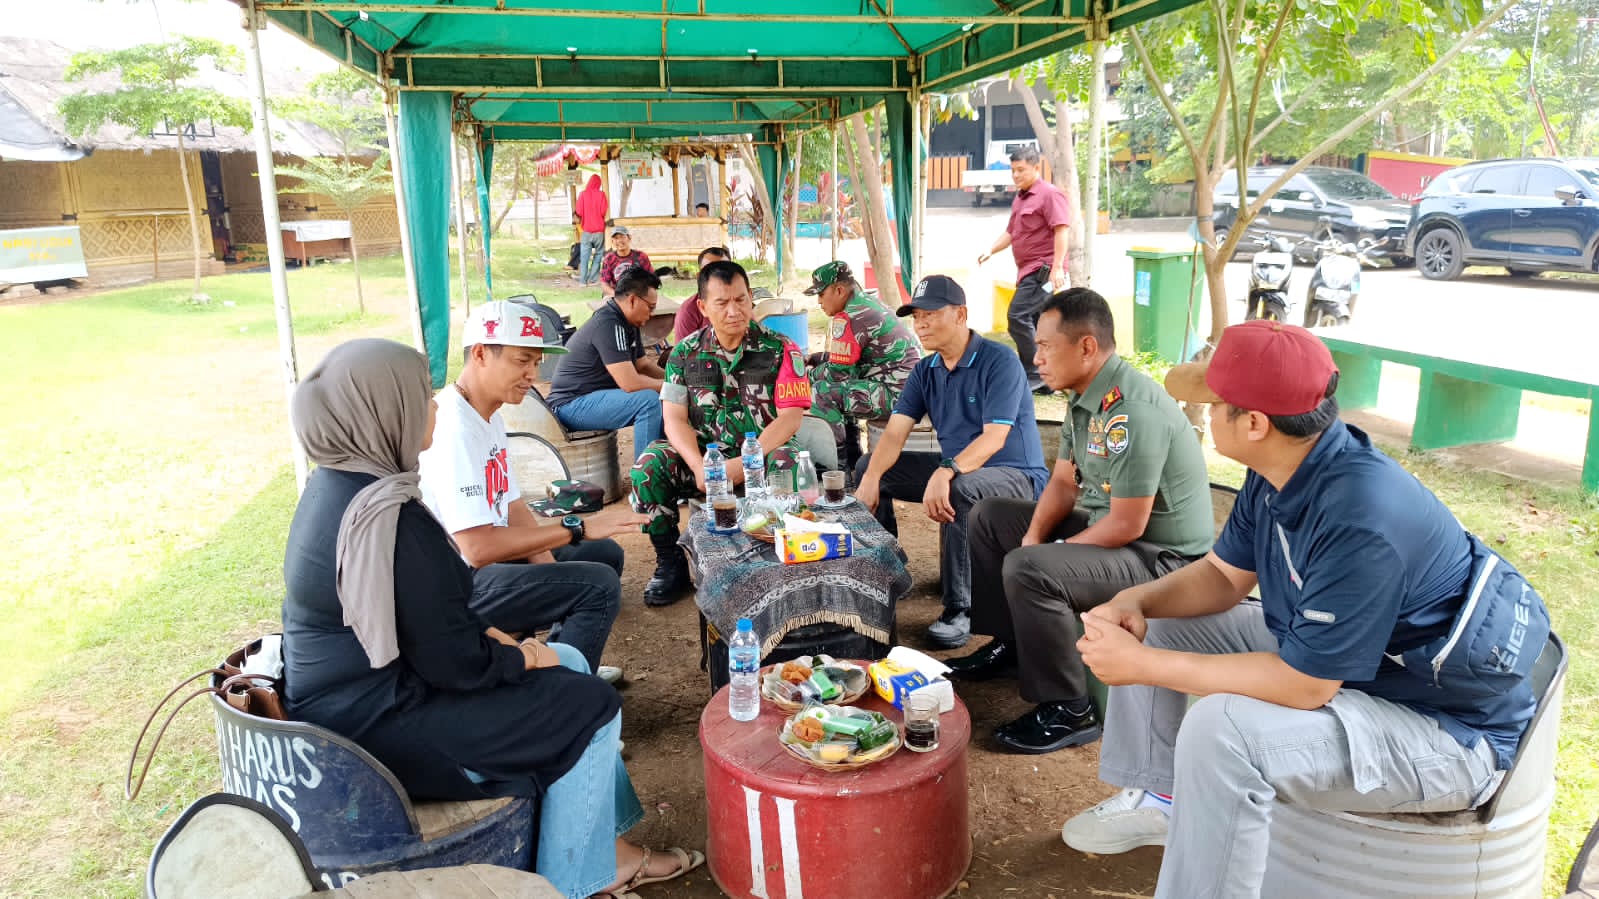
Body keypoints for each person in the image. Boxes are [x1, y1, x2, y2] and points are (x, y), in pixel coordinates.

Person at [1059, 321, 1549, 898]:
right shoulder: (1283, 467)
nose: (1205, 416)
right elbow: (1221, 577)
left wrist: (1140, 667)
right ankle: (1164, 800)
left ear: (1256, 424)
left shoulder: (1361, 517)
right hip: (1366, 680)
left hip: (1449, 737)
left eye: (1215, 405)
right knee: (1163, 624)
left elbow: (1304, 685)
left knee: (1221, 733)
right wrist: (1134, 600)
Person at [281, 338, 704, 899]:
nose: (431, 407)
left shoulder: (341, 489)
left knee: (573, 663)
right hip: (373, 731)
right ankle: (580, 877)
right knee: (591, 702)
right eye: (417, 397)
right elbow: (455, 663)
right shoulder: (391, 520)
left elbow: (427, 621)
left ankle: (606, 841)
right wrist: (525, 655)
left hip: (363, 701)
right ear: (384, 413)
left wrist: (523, 651)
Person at [947, 288, 1214, 754]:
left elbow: (1128, 524)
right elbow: (1064, 484)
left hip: (1162, 559)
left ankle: (1070, 709)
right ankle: (1014, 644)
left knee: (1031, 568)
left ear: (1087, 346)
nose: (1037, 357)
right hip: (1118, 536)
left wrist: (1050, 553)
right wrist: (1031, 537)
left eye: (1046, 345)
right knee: (991, 518)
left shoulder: (1130, 410)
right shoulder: (1083, 396)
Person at [418, 300, 648, 680]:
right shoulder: (453, 428)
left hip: (492, 558)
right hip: (460, 583)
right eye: (522, 361)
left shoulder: (488, 414)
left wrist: (552, 572)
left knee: (603, 556)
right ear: (480, 354)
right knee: (599, 586)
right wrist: (575, 530)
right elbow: (475, 550)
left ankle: (557, 660)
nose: (533, 373)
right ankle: (562, 694)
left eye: (537, 362)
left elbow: (511, 505)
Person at [855, 275, 1049, 649]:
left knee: (959, 488)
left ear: (961, 314)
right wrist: (871, 478)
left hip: (1017, 475)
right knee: (869, 468)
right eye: (916, 317)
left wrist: (946, 470)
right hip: (958, 468)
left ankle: (960, 608)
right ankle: (886, 576)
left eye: (931, 314)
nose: (921, 324)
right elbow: (895, 433)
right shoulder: (925, 371)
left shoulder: (999, 360)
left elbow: (995, 437)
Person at [631, 260, 812, 606]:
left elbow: (789, 418)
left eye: (741, 300)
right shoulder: (683, 354)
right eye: (722, 302)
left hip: (763, 456)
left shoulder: (781, 349)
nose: (734, 311)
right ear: (702, 307)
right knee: (649, 466)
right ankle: (669, 563)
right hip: (705, 459)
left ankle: (776, 561)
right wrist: (700, 467)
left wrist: (742, 463)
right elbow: (674, 420)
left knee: (786, 461)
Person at [802, 260, 921, 477]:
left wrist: (803, 375)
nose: (819, 301)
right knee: (841, 388)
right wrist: (817, 358)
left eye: (821, 294)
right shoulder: (864, 303)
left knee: (823, 391)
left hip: (899, 394)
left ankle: (837, 471)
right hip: (907, 388)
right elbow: (850, 359)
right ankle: (854, 459)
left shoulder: (850, 316)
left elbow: (836, 373)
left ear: (839, 290)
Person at [976, 145, 1070, 394]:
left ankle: (1034, 372)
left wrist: (1057, 268)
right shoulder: (1021, 197)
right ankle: (1048, 379)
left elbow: (1061, 229)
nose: (1016, 175)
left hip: (1044, 271)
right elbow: (1011, 232)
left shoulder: (1049, 195)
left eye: (1021, 170)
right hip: (1027, 271)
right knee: (1039, 324)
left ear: (1036, 168)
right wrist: (991, 250)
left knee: (1017, 317)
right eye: (1013, 171)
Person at [549, 269, 668, 458]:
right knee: (648, 401)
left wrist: (675, 378)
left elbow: (643, 365)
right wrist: (673, 386)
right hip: (570, 405)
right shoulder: (608, 323)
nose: (652, 314)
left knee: (664, 399)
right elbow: (630, 384)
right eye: (651, 307)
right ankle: (645, 480)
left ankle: (664, 467)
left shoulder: (629, 321)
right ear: (632, 300)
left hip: (590, 399)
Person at [672, 246, 731, 341]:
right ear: (699, 276)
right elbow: (682, 354)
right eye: (710, 271)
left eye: (725, 270)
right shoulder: (689, 311)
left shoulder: (742, 304)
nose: (719, 276)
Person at [600, 226, 653, 298]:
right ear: (612, 241)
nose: (619, 241)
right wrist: (617, 295)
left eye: (622, 237)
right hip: (616, 294)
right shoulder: (609, 259)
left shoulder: (641, 256)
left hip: (637, 293)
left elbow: (651, 278)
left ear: (629, 238)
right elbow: (604, 283)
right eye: (616, 238)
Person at [575, 175, 608, 287]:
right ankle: (593, 279)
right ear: (599, 184)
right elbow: (604, 212)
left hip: (587, 231)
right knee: (598, 255)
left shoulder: (583, 194)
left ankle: (583, 282)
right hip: (599, 231)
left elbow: (578, 211)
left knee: (584, 257)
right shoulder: (602, 194)